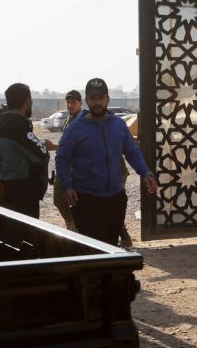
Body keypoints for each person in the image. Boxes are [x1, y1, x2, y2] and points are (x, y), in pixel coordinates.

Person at [55, 78, 154, 246]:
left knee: (110, 244)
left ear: (108, 99)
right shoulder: (75, 129)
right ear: (87, 100)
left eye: (101, 98)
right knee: (93, 249)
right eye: (93, 98)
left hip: (115, 198)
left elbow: (132, 151)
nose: (97, 102)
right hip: (86, 199)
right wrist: (66, 185)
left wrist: (146, 172)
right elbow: (62, 158)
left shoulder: (118, 125)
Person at [0, 82, 49, 217]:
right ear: (27, 101)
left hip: (6, 187)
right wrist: (44, 145)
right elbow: (40, 155)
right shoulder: (17, 125)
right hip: (23, 191)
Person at [51, 89, 84, 231]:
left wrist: (54, 146)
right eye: (68, 102)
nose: (70, 105)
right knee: (60, 199)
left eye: (73, 102)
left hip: (76, 166)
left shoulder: (82, 120)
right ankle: (72, 226)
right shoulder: (70, 119)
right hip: (66, 164)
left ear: (80, 103)